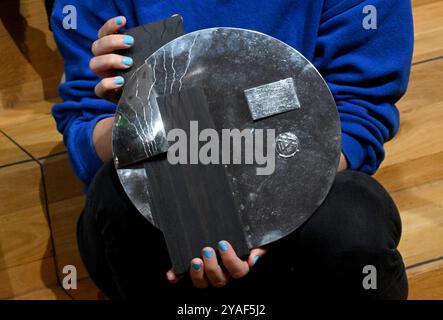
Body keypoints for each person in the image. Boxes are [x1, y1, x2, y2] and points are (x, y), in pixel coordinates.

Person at [49, 0, 413, 299]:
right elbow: (84, 123)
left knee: (350, 220)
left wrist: (269, 218)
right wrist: (135, 122)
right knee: (113, 197)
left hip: (297, 187)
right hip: (165, 206)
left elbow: (358, 108)